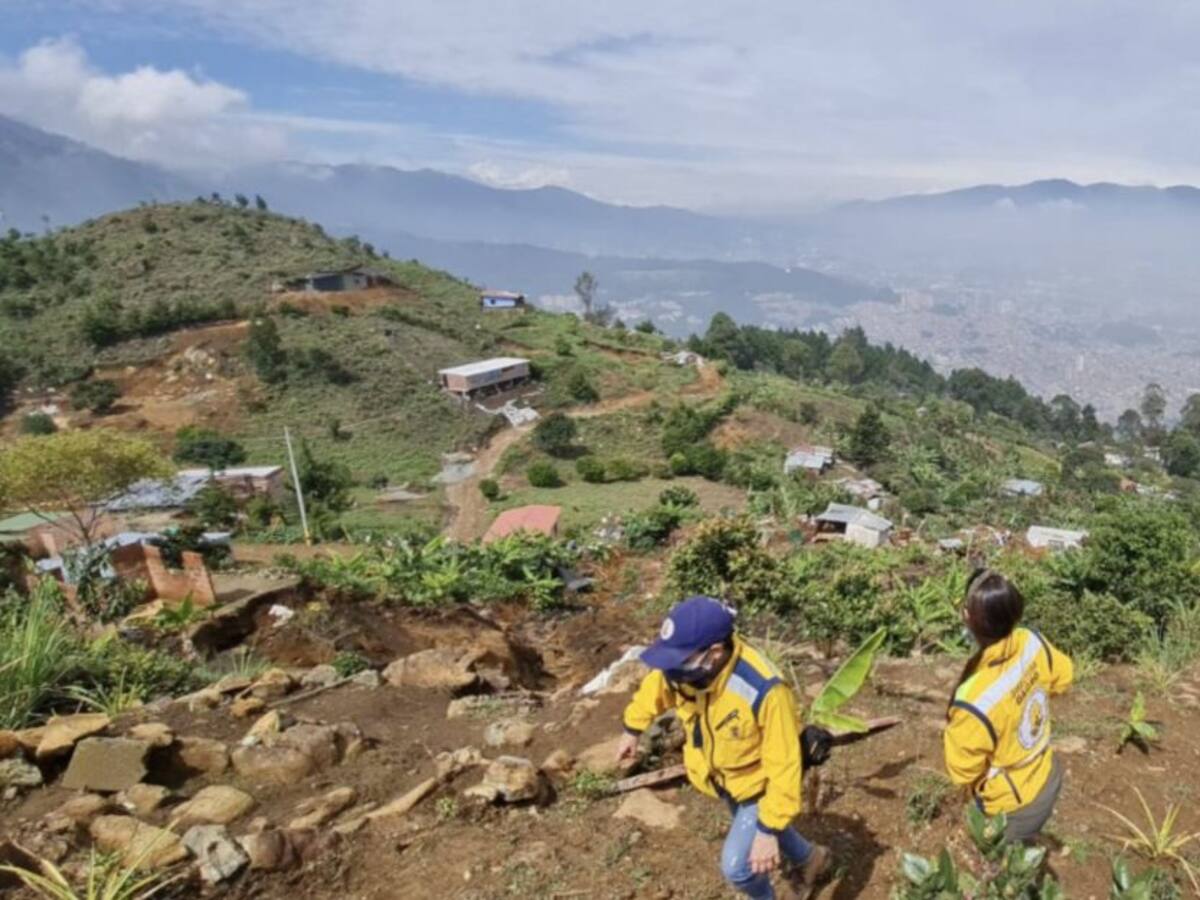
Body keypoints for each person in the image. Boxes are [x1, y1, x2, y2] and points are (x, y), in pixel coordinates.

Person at [616, 596, 831, 900]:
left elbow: (785, 765)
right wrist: (632, 729)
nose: (671, 671)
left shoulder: (764, 690)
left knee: (738, 869)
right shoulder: (687, 670)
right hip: (725, 779)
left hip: (760, 785)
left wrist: (767, 831)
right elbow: (656, 687)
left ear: (715, 652)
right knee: (756, 828)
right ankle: (811, 859)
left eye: (679, 661)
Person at [944, 569, 1074, 842]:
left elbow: (962, 772)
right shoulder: (1031, 640)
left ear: (967, 616)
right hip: (1047, 771)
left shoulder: (973, 702)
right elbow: (1063, 678)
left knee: (1001, 865)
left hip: (1012, 806)